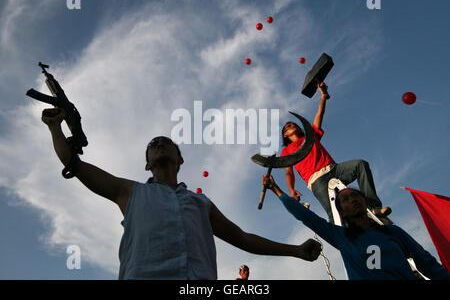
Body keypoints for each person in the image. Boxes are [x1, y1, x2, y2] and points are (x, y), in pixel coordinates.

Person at [41, 107, 322, 280]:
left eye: (167, 142)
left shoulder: (200, 202)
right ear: (147, 164)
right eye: (153, 144)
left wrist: (295, 250)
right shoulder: (129, 192)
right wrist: (55, 126)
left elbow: (243, 238)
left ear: (180, 159)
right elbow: (74, 164)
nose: (160, 142)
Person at [263, 174, 450, 280]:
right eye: (345, 199)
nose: (352, 200)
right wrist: (277, 190)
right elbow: (306, 216)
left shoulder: (393, 232)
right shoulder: (341, 237)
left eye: (355, 196)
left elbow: (426, 262)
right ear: (341, 211)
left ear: (365, 202)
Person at [281, 82, 391, 222]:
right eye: (287, 127)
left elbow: (319, 114)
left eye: (293, 124)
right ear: (285, 135)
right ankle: (345, 238)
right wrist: (292, 190)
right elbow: (288, 172)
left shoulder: (310, 136)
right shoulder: (287, 150)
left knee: (360, 165)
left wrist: (323, 96)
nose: (292, 125)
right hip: (317, 180)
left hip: (334, 169)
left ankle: (374, 207)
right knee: (336, 215)